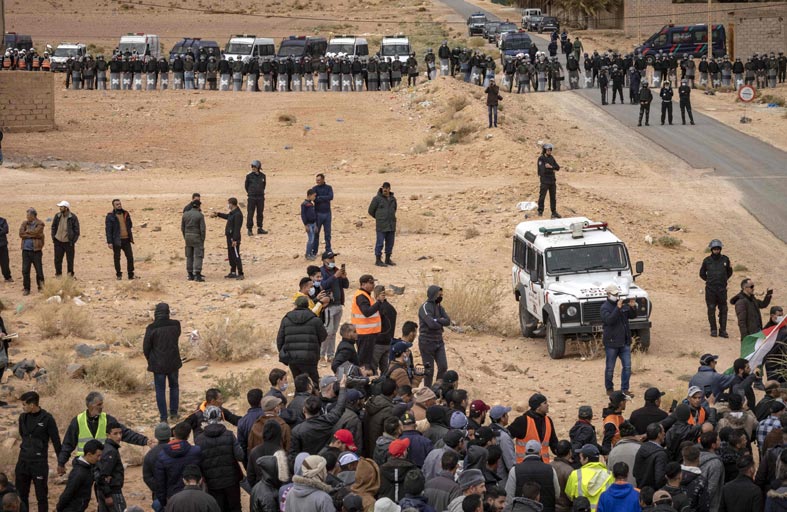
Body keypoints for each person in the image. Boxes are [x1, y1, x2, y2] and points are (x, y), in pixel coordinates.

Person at [57, 391, 151, 476]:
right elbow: (68, 444)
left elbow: (125, 433)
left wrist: (145, 441)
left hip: (103, 462)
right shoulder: (77, 421)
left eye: (102, 404)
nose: (102, 407)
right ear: (90, 406)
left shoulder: (107, 420)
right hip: (84, 462)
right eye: (99, 404)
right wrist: (61, 463)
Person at [15, 391, 61, 512]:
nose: (22, 407)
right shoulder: (22, 417)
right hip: (23, 462)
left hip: (39, 463)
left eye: (24, 404)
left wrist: (61, 463)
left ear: (32, 404)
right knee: (21, 495)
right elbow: (23, 435)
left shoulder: (47, 419)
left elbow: (56, 441)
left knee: (41, 496)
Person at [194, 406, 244, 512]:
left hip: (212, 483)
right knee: (235, 507)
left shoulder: (199, 439)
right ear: (220, 417)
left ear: (205, 418)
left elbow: (198, 462)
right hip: (232, 481)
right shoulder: (229, 435)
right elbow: (240, 456)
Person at [289, 377, 348, 465]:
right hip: (326, 462)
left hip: (308, 465)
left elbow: (293, 455)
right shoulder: (328, 421)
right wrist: (342, 387)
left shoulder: (297, 431)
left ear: (304, 410)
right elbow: (340, 407)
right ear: (320, 409)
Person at [143, 303, 182, 423]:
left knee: (160, 390)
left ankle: (163, 417)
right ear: (168, 312)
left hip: (158, 364)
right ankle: (174, 413)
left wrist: (150, 360)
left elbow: (146, 347)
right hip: (173, 361)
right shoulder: (176, 325)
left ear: (156, 313)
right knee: (174, 387)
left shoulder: (151, 328)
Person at [276, 295, 327, 386]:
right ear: (307, 305)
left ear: (295, 305)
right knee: (313, 381)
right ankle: (314, 398)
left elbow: (280, 339)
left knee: (298, 382)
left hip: (292, 357)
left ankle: (299, 398)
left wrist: (283, 352)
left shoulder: (286, 319)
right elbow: (323, 336)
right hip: (310, 356)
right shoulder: (315, 319)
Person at [155, 422, 204, 507]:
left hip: (173, 497)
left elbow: (160, 483)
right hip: (194, 495)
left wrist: (164, 503)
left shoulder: (162, 455)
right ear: (188, 436)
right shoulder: (196, 451)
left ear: (174, 433)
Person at [600, 284, 637, 396]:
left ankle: (624, 389)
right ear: (608, 294)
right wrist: (617, 308)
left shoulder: (621, 305)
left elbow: (632, 316)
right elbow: (609, 320)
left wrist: (632, 307)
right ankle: (609, 388)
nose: (616, 296)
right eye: (614, 294)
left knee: (627, 367)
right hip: (611, 343)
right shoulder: (605, 307)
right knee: (610, 368)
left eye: (617, 294)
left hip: (624, 342)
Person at [504, 439, 559, 512]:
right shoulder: (550, 469)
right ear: (540, 452)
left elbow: (509, 497)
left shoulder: (514, 470)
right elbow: (557, 494)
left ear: (525, 452)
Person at [55, 439, 102, 512]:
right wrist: (59, 508)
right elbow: (68, 492)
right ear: (89, 454)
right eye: (98, 456)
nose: (99, 459)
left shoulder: (88, 467)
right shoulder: (79, 472)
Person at [511, 394, 559, 464]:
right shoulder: (522, 421)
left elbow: (553, 442)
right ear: (538, 407)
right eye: (545, 403)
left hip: (543, 465)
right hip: (524, 466)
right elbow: (507, 436)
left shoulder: (548, 420)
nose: (548, 405)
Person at [418, 285, 451, 387]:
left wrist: (437, 320)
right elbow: (431, 324)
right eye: (439, 295)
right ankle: (426, 392)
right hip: (426, 342)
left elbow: (448, 321)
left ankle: (437, 388)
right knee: (429, 371)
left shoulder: (440, 307)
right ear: (433, 295)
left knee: (443, 367)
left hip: (438, 341)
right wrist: (440, 322)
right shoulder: (425, 307)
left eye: (441, 295)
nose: (441, 297)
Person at [320, 251, 349, 362]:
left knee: (333, 332)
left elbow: (346, 286)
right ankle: (321, 355)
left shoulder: (336, 270)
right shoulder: (321, 271)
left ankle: (331, 355)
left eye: (333, 258)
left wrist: (344, 277)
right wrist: (334, 277)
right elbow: (323, 285)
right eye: (330, 258)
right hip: (328, 307)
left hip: (338, 305)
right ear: (324, 260)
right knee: (328, 332)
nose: (332, 260)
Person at [564, 445, 613, 510]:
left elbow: (569, 495)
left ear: (586, 459)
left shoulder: (576, 474)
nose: (579, 459)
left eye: (581, 457)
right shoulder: (609, 475)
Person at [700, 239, 732, 338]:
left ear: (720, 249)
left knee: (723, 309)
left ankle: (723, 330)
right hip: (710, 289)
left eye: (718, 249)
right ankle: (713, 329)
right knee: (711, 308)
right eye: (715, 249)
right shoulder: (707, 261)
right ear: (711, 250)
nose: (716, 251)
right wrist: (710, 281)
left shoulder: (725, 259)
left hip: (722, 289)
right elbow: (701, 274)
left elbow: (729, 272)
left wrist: (723, 280)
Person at [351, 274, 385, 368]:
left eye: (373, 282)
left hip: (368, 333)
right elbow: (367, 312)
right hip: (365, 334)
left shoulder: (366, 295)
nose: (373, 285)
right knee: (364, 361)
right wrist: (378, 302)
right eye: (371, 283)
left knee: (367, 360)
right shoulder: (361, 296)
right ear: (363, 284)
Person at [95, 422, 126, 512]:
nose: (119, 436)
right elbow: (103, 475)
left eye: (120, 433)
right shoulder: (111, 451)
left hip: (105, 490)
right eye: (115, 434)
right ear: (108, 435)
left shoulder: (107, 448)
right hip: (112, 492)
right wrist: (108, 495)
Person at [213, 198, 244, 280]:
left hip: (233, 238)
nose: (228, 205)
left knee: (236, 255)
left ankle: (241, 273)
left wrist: (235, 239)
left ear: (232, 204)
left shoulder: (237, 214)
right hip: (229, 237)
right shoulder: (233, 213)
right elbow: (228, 217)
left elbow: (237, 228)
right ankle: (233, 272)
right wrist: (218, 214)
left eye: (228, 203)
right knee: (231, 255)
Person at [142, 423, 171, 511]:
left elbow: (147, 477)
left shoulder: (150, 454)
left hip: (158, 495)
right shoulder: (177, 450)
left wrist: (158, 488)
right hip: (176, 493)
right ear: (169, 435)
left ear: (156, 436)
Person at [368, 182, 398, 267]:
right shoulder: (377, 199)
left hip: (391, 224)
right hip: (381, 225)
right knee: (380, 243)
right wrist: (379, 217)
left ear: (389, 189)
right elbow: (371, 211)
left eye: (387, 188)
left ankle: (388, 259)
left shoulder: (393, 199)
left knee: (390, 243)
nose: (385, 189)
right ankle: (378, 260)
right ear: (382, 188)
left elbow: (394, 209)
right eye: (384, 187)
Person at [105, 199, 135, 280]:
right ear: (113, 206)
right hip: (116, 240)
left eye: (120, 204)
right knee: (117, 258)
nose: (119, 205)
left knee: (130, 257)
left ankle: (130, 274)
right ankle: (119, 274)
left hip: (126, 239)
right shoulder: (110, 216)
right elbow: (108, 230)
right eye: (117, 204)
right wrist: (109, 242)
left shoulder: (126, 213)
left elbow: (130, 224)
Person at [633, 423, 667, 490]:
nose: (664, 434)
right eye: (663, 431)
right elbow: (660, 479)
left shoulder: (641, 449)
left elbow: (635, 472)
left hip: (642, 491)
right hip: (654, 493)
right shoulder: (660, 454)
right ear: (659, 435)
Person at [19, 208, 44, 295]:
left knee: (39, 270)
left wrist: (27, 233)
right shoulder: (24, 223)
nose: (27, 217)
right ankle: (26, 288)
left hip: (36, 251)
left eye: (28, 215)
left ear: (33, 216)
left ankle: (41, 287)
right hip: (25, 251)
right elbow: (21, 234)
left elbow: (37, 233)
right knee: (25, 270)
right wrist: (31, 234)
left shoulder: (40, 223)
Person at [51, 200, 80, 278]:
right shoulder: (57, 216)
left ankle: (70, 275)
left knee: (70, 260)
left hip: (68, 242)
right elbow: (53, 227)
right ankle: (58, 275)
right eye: (60, 207)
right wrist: (54, 238)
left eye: (61, 207)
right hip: (58, 242)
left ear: (66, 208)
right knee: (57, 260)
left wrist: (73, 241)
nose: (60, 208)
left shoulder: (73, 217)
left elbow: (77, 231)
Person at [606, 422, 640, 487]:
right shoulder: (640, 449)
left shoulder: (613, 452)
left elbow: (609, 473)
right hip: (637, 491)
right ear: (634, 434)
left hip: (618, 490)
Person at [181, 198, 206, 282]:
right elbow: (202, 229)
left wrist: (185, 236)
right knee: (198, 255)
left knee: (189, 255)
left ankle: (190, 274)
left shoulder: (185, 214)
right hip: (197, 237)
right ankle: (197, 274)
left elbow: (182, 227)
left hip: (187, 237)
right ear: (199, 206)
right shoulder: (200, 215)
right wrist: (202, 239)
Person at [536, 143, 561, 219]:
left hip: (552, 181)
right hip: (544, 181)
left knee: (553, 197)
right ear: (545, 150)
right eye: (548, 150)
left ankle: (553, 212)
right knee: (542, 196)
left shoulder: (551, 158)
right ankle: (540, 211)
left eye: (550, 150)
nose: (549, 151)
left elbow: (557, 167)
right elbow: (542, 171)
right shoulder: (541, 159)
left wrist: (550, 167)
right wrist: (552, 169)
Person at [245, 160, 268, 236]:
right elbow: (246, 186)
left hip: (260, 197)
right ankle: (249, 229)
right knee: (250, 213)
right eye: (252, 167)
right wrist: (251, 192)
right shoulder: (249, 176)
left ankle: (260, 228)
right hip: (252, 197)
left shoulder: (263, 176)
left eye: (255, 167)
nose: (253, 168)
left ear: (258, 167)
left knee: (260, 213)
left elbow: (264, 185)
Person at [312, 173, 334, 255]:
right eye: (316, 180)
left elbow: (331, 197)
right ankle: (314, 251)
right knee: (316, 233)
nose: (317, 181)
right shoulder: (314, 188)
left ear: (323, 179)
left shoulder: (329, 187)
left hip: (327, 213)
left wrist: (320, 197)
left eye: (319, 180)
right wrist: (324, 198)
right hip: (317, 214)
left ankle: (328, 250)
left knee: (327, 233)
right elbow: (314, 199)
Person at [301, 189, 317, 260]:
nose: (314, 198)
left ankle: (310, 253)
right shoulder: (304, 204)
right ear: (309, 195)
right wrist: (305, 225)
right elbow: (303, 215)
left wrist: (316, 224)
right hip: (309, 225)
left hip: (313, 223)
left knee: (313, 239)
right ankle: (307, 254)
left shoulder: (311, 204)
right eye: (314, 196)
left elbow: (314, 215)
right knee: (311, 239)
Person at [0, 213, 12, 282]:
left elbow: (6, 230)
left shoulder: (3, 220)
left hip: (3, 245)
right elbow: (3, 230)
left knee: (5, 262)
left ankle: (7, 277)